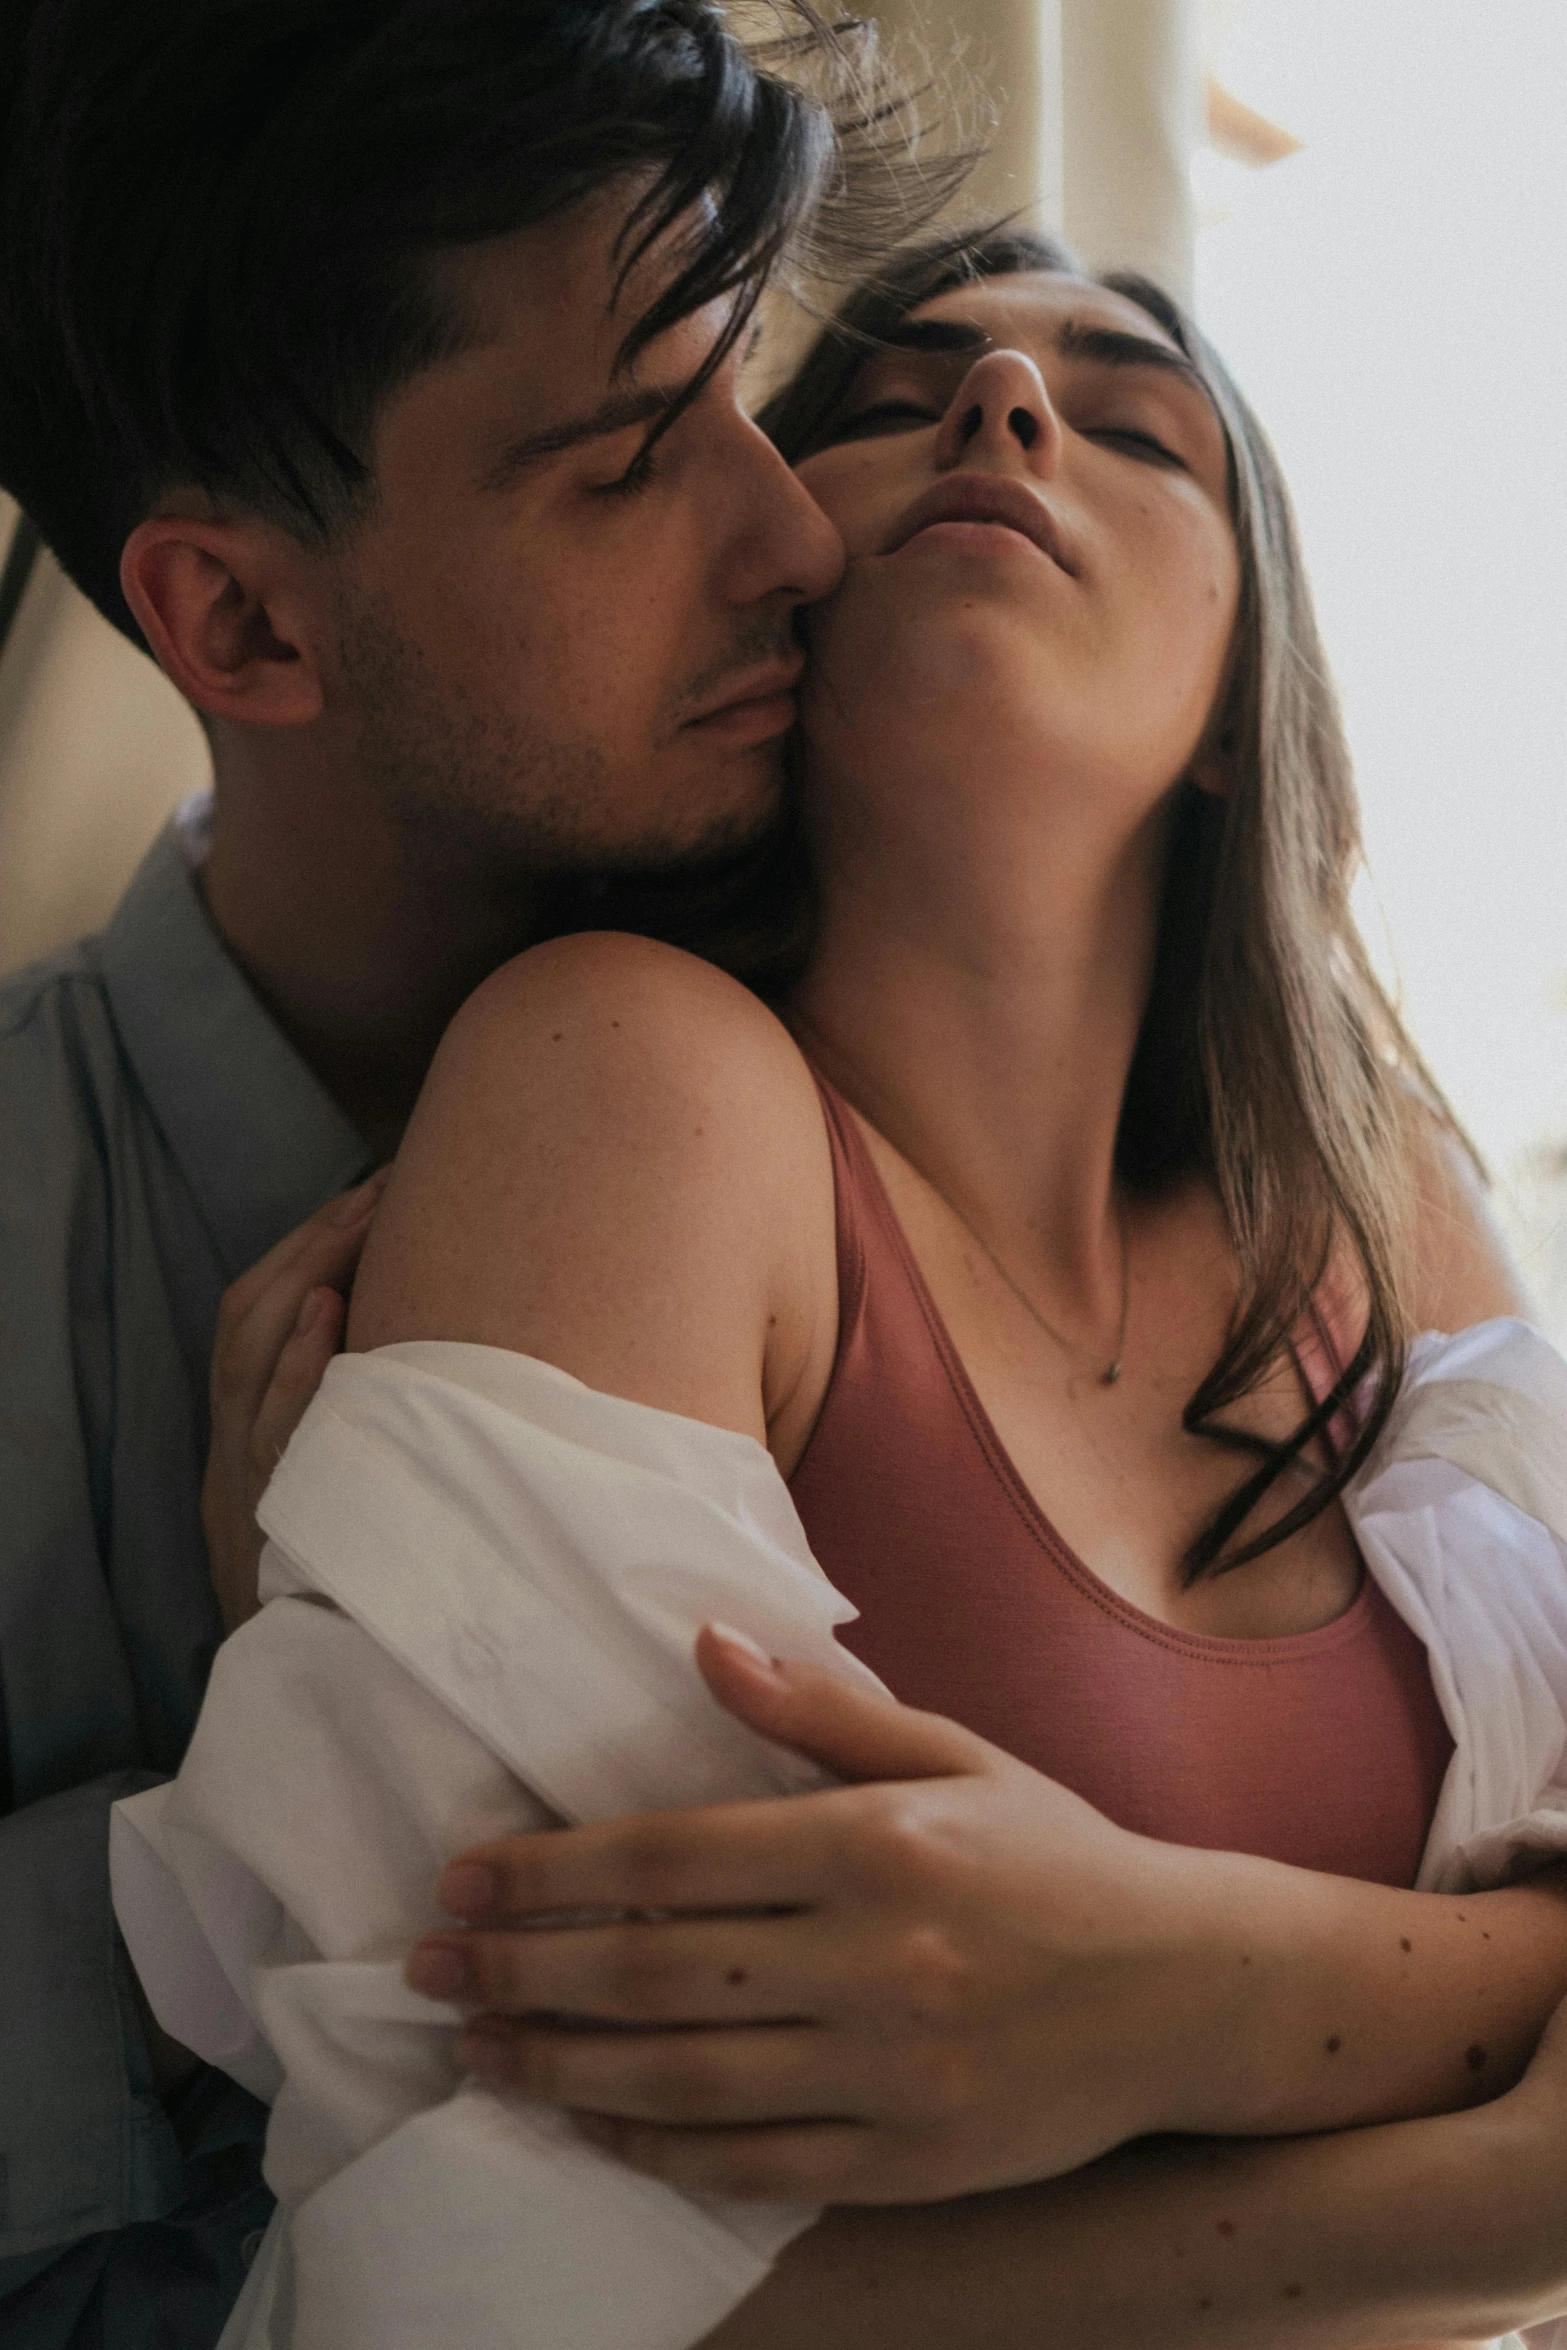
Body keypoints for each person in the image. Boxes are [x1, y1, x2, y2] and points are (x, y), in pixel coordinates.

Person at [171, 228, 1567, 2348]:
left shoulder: (1377, 1193)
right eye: (896, 401)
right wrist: (1495, 2192)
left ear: (1233, 701)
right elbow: (454, 2267)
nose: (1003, 410)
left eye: (1131, 428)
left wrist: (1182, 1985)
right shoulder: (626, 1076)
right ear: (770, 589)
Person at [0, 2, 958, 2340]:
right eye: (635, 458)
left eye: (752, 386)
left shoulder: (956, 1048)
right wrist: (304, 1764)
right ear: (240, 618)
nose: (794, 518)